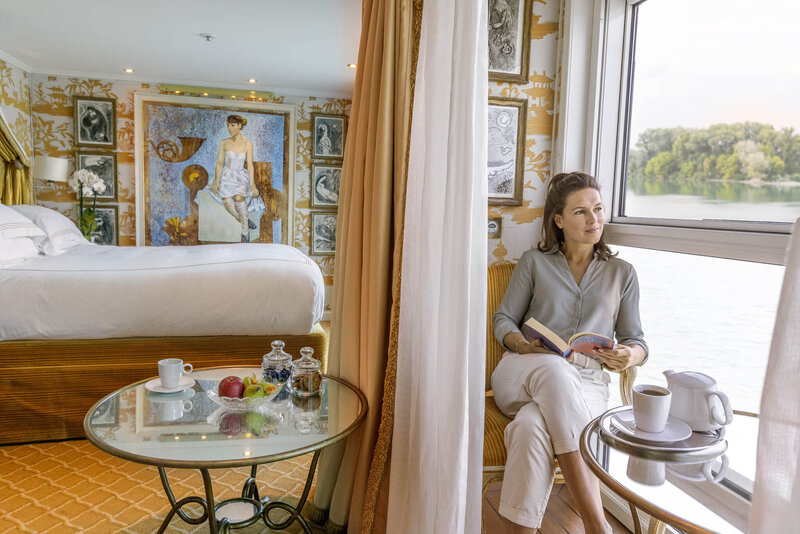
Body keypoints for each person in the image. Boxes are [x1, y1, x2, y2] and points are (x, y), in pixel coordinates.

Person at [492, 172, 648, 534]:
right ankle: (596, 523)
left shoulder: (622, 273)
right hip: (523, 368)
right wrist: (521, 343)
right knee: (554, 369)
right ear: (558, 220)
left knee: (530, 427)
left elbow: (637, 340)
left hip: (588, 381)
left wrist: (629, 356)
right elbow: (504, 319)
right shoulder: (534, 262)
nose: (594, 219)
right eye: (581, 212)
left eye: (598, 209)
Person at [210, 115, 262, 242]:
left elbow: (250, 165)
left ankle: (245, 232)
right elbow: (219, 163)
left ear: (239, 126)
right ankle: (244, 220)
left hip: (240, 177)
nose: (229, 128)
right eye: (228, 125)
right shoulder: (224, 143)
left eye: (232, 125)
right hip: (227, 176)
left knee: (239, 198)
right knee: (227, 201)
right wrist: (216, 181)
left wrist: (253, 185)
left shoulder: (248, 144)